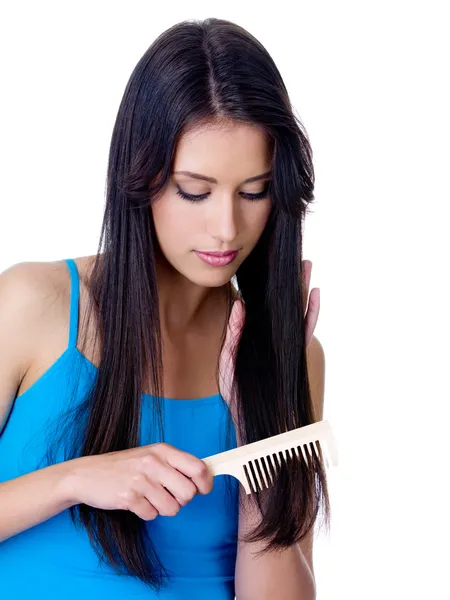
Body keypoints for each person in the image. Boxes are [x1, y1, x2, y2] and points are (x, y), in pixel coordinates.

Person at [0, 17, 329, 600]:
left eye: (254, 191)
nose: (226, 227)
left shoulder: (293, 357)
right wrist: (74, 479)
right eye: (195, 191)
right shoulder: (34, 306)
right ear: (141, 178)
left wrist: (264, 425)